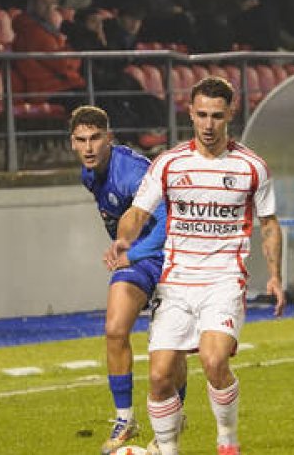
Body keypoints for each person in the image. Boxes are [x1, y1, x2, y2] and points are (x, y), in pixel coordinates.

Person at [105, 76, 286, 455]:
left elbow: (268, 225)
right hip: (176, 282)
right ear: (189, 112)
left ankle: (227, 440)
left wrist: (275, 277)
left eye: (216, 116)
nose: (208, 125)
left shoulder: (252, 167)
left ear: (230, 115)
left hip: (224, 280)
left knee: (214, 359)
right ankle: (169, 450)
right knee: (158, 376)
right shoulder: (169, 164)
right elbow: (137, 213)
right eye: (201, 115)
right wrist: (124, 239)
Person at [68, 106, 179, 454]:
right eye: (81, 140)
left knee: (168, 351)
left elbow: (168, 220)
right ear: (71, 143)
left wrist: (132, 251)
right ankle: (125, 418)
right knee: (115, 329)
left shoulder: (131, 173)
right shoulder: (90, 176)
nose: (89, 147)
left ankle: (174, 422)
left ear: (109, 139)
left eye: (95, 138)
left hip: (171, 257)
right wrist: (124, 249)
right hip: (139, 259)